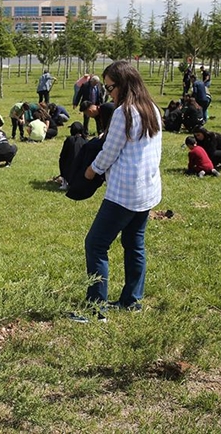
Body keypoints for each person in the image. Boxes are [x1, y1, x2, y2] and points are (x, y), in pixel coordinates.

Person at [76, 60, 162, 322]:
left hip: (125, 193)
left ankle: (95, 310)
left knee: (96, 244)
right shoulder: (152, 109)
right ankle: (131, 301)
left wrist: (90, 172)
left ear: (123, 85)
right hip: (147, 191)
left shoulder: (124, 113)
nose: (107, 93)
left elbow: (108, 153)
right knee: (134, 244)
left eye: (110, 87)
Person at [58, 121, 86, 190]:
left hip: (69, 171)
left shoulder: (69, 140)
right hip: (81, 172)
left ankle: (65, 182)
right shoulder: (86, 141)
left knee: (62, 159)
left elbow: (63, 155)